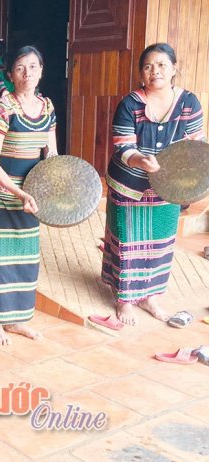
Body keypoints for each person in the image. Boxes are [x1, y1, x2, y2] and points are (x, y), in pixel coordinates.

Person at [101, 43, 205, 325]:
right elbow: (124, 147)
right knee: (127, 240)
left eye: (161, 65)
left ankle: (150, 296)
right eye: (148, 66)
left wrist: (188, 179)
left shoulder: (189, 103)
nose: (155, 71)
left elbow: (196, 146)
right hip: (129, 182)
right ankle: (124, 299)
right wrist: (140, 161)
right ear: (141, 73)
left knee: (159, 243)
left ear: (173, 69)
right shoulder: (130, 104)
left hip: (168, 186)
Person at [0, 46, 57, 345]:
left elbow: (51, 153)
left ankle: (17, 319)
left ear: (41, 70)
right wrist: (19, 192)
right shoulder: (1, 108)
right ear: (10, 75)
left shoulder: (47, 108)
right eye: (20, 68)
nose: (27, 73)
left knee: (25, 258)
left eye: (33, 67)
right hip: (1, 193)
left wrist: (51, 187)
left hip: (30, 196)